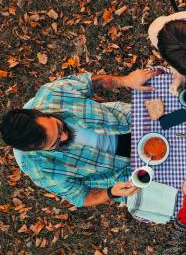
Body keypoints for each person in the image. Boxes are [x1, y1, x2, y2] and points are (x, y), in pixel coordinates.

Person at [0, 68, 161, 207]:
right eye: (55, 143)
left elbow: (92, 83)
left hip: (128, 121)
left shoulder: (52, 94)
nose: (64, 136)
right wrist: (111, 193)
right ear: (34, 150)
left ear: (38, 111)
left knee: (180, 120)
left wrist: (126, 80)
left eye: (59, 126)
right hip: (124, 173)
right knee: (175, 186)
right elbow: (81, 197)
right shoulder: (40, 170)